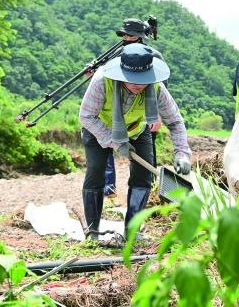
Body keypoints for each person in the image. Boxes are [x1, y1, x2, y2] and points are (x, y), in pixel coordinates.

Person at [79, 43, 192, 241]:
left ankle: (132, 231)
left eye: (143, 79)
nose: (138, 85)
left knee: (144, 176)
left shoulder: (156, 88)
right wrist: (114, 142)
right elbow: (87, 116)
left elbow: (175, 121)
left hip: (137, 130)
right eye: (132, 79)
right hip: (99, 128)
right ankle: (92, 232)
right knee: (96, 170)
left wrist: (182, 153)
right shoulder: (101, 81)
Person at [96, 19, 165, 200]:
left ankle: (149, 192)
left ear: (141, 37)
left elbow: (160, 88)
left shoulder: (154, 56)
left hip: (143, 114)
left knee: (145, 155)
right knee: (106, 144)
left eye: (130, 35)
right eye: (124, 35)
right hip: (116, 114)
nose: (126, 38)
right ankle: (108, 186)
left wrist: (157, 114)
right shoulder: (118, 55)